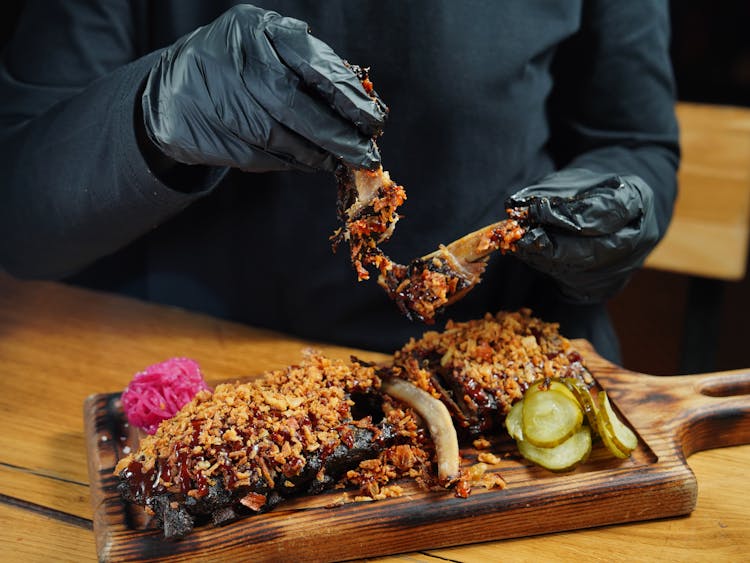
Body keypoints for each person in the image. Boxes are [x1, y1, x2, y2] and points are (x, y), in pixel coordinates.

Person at [0, 1, 679, 364]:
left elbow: (636, 143)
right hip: (186, 368)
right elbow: (17, 216)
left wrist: (623, 204)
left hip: (489, 370)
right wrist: (158, 110)